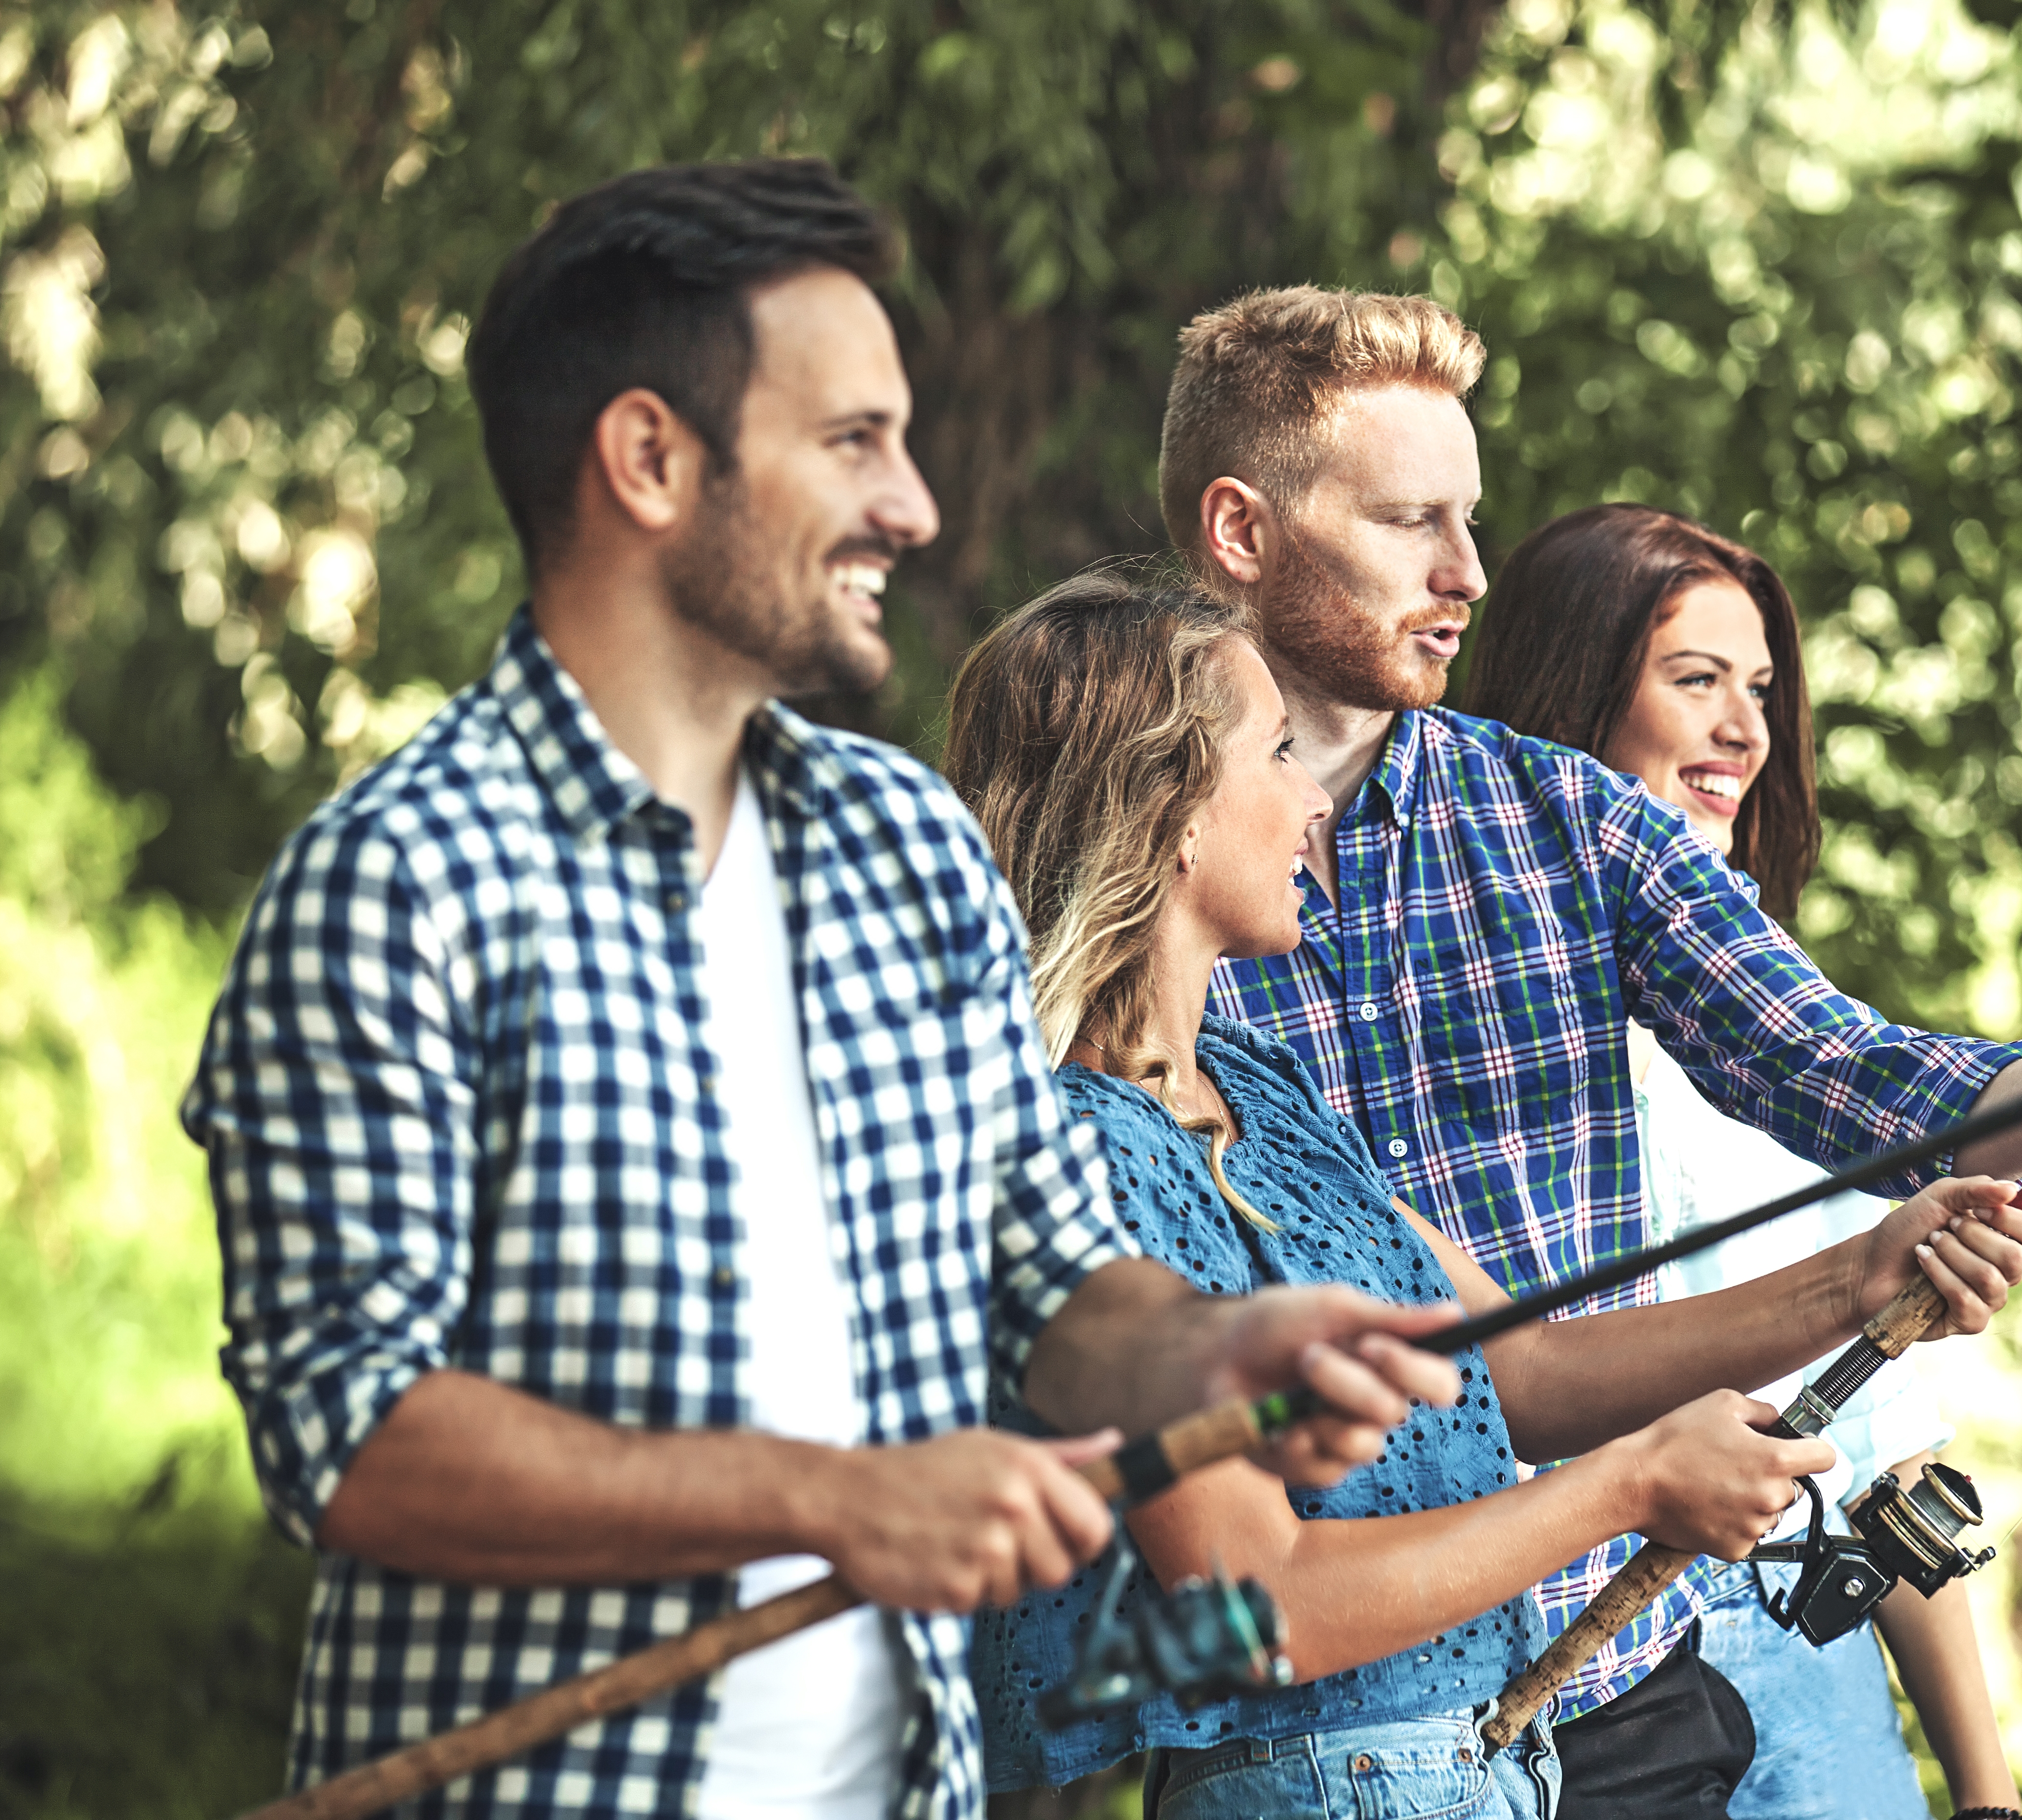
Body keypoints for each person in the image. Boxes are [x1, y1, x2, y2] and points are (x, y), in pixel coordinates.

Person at [180, 162, 1460, 1820]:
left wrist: (1212, 1349)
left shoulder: (897, 848)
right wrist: (831, 1498)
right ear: (649, 460)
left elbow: (1055, 1282)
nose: (914, 506)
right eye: (850, 442)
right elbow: (347, 1435)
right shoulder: (399, 886)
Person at [1162, 285, 2022, 1813]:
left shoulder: (1569, 818)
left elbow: (1853, 1078)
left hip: (1622, 1699)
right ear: (1242, 531)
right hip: (1311, 1736)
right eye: (1410, 521)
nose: (1467, 574)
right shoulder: (1115, 877)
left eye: (1473, 521)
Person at [945, 572, 2022, 1819]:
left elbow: (1520, 1368)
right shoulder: (1079, 1150)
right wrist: (1629, 1487)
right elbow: (1257, 1600)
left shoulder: (1254, 1090)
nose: (1315, 800)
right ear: (1171, 813)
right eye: (1274, 754)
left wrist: (1856, 1282)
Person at [1464, 502, 2022, 1819]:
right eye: (1695, 679)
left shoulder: (1778, 1033)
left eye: (1761, 688)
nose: (1746, 731)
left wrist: (1988, 1797)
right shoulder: (1474, 1037)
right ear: (1576, 691)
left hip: (1806, 1653)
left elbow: (1880, 1447)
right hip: (1578, 1671)